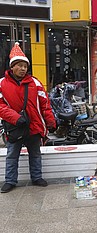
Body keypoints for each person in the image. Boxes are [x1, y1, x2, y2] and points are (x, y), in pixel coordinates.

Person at [0, 42, 56, 193]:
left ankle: (37, 177)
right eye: (20, 65)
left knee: (35, 154)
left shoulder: (35, 83)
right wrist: (15, 117)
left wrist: (50, 120)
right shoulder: (1, 84)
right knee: (12, 155)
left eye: (25, 66)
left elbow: (45, 103)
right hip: (15, 127)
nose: (23, 69)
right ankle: (10, 181)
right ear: (12, 67)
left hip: (34, 126)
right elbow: (1, 106)